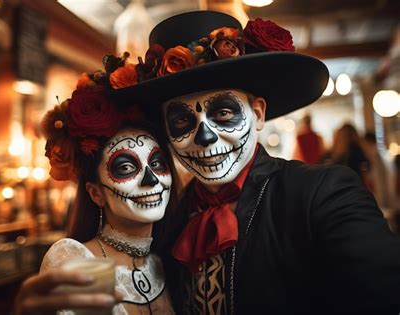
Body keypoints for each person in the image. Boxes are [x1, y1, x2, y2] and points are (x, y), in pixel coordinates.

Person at [102, 11, 400, 314]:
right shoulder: (170, 216)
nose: (205, 137)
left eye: (223, 113)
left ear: (257, 114)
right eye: (181, 120)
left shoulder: (321, 194)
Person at [14, 77, 176, 314]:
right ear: (95, 193)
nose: (152, 179)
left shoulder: (162, 263)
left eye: (157, 163)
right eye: (126, 168)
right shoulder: (75, 260)